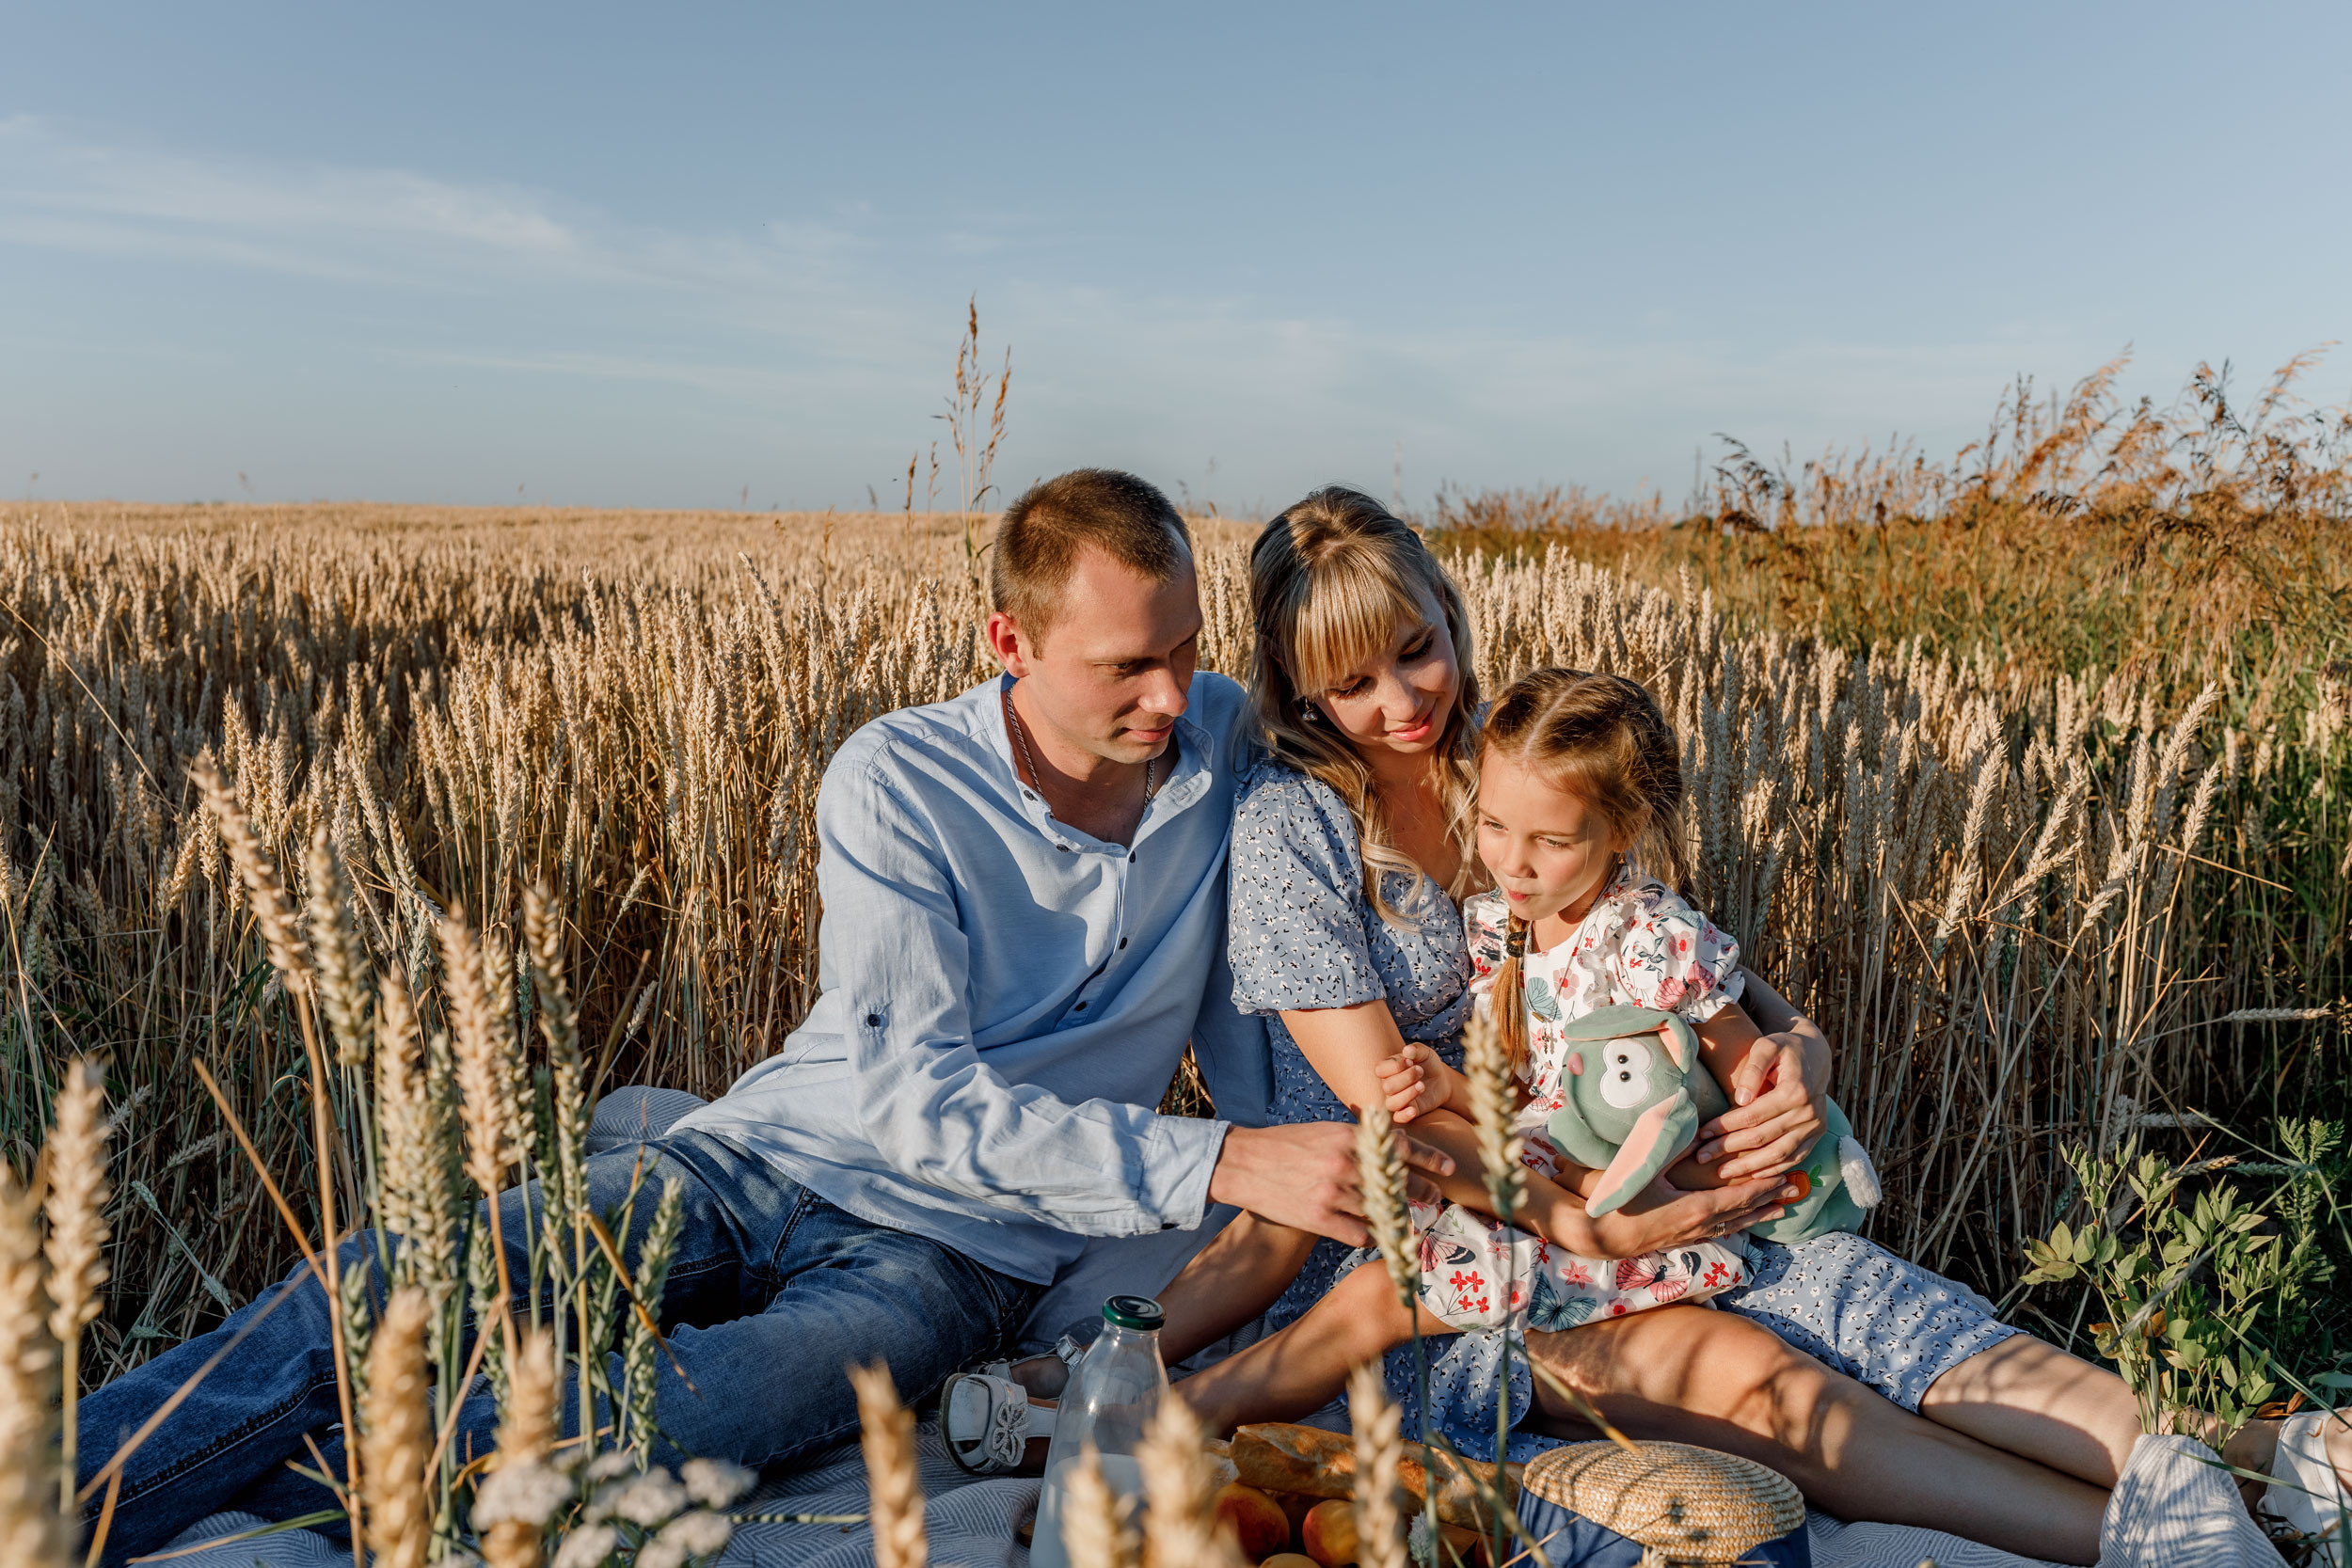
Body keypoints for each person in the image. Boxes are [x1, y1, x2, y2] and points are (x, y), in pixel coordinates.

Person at [71, 469, 1454, 1565]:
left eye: (1186, 649)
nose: (1171, 694)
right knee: (370, 1298)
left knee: (678, 1423)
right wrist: (1211, 1162)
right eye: (1122, 668)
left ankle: (367, 1516)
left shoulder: (1226, 746)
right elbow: (917, 1098)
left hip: (950, 1262)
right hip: (755, 1162)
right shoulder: (899, 779)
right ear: (1008, 643)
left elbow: (1383, 789)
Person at [977, 489, 2344, 1566]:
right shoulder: (1293, 832)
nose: (1401, 701)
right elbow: (1384, 1119)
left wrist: (1797, 1052)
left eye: (1418, 648)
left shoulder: (1520, 763)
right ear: (1293, 689)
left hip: (1656, 1178)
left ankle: (2255, 1465)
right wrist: (1604, 1227)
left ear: (1454, 615)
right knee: (1753, 1376)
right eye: (1350, 683)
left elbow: (1689, 961)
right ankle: (2142, 1536)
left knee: (1876, 1304)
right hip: (1454, 1246)